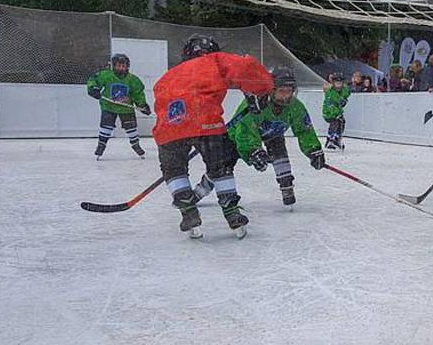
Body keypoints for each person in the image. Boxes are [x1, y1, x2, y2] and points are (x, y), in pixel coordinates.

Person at [152, 35, 273, 239]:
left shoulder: (167, 76)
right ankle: (231, 212)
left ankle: (188, 212)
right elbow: (245, 70)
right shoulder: (214, 60)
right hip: (204, 120)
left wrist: (180, 127)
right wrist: (260, 91)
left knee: (173, 169)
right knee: (220, 166)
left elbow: (161, 102)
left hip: (168, 128)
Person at [193, 68, 325, 208]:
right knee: (221, 167)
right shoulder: (256, 103)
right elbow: (245, 131)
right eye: (282, 91)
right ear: (272, 90)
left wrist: (313, 150)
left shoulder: (295, 106)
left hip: (271, 134)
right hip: (236, 138)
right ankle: (201, 190)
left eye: (289, 91)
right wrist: (253, 152)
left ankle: (286, 184)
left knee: (278, 147)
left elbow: (304, 130)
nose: (286, 96)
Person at [86, 54, 151, 160]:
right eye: (118, 66)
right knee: (106, 126)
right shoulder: (106, 75)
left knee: (131, 128)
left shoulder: (133, 80)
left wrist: (142, 105)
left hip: (126, 108)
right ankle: (101, 146)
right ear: (113, 66)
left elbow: (138, 94)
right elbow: (93, 80)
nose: (121, 68)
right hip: (109, 107)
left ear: (127, 66)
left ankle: (135, 145)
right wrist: (93, 89)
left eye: (123, 66)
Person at [323, 72, 351, 150]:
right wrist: (336, 114)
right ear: (333, 83)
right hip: (329, 112)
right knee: (334, 122)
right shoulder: (330, 92)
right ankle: (330, 139)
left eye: (340, 83)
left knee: (342, 122)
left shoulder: (343, 90)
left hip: (338, 111)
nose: (338, 86)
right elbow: (331, 104)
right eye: (336, 84)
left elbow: (347, 92)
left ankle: (337, 138)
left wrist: (345, 99)